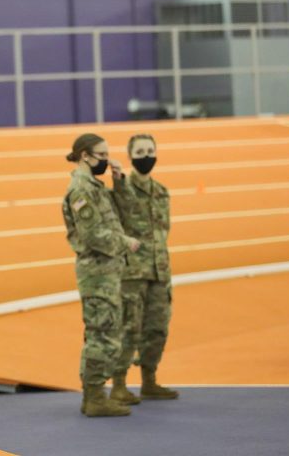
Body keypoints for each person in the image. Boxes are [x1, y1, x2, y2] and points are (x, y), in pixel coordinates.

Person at [61, 133, 141, 417]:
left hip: (107, 271)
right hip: (96, 272)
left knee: (107, 332)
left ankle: (95, 395)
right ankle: (94, 397)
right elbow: (93, 234)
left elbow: (126, 213)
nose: (107, 161)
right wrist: (125, 243)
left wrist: (119, 181)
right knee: (101, 335)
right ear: (85, 155)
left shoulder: (95, 185)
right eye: (102, 156)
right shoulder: (81, 189)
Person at [109, 134, 180, 403]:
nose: (146, 155)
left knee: (158, 328)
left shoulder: (161, 191)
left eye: (150, 150)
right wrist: (117, 177)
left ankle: (149, 380)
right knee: (129, 328)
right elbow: (121, 207)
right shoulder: (123, 188)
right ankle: (118, 384)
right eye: (140, 151)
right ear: (130, 156)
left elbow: (164, 231)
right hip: (133, 274)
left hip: (160, 271)